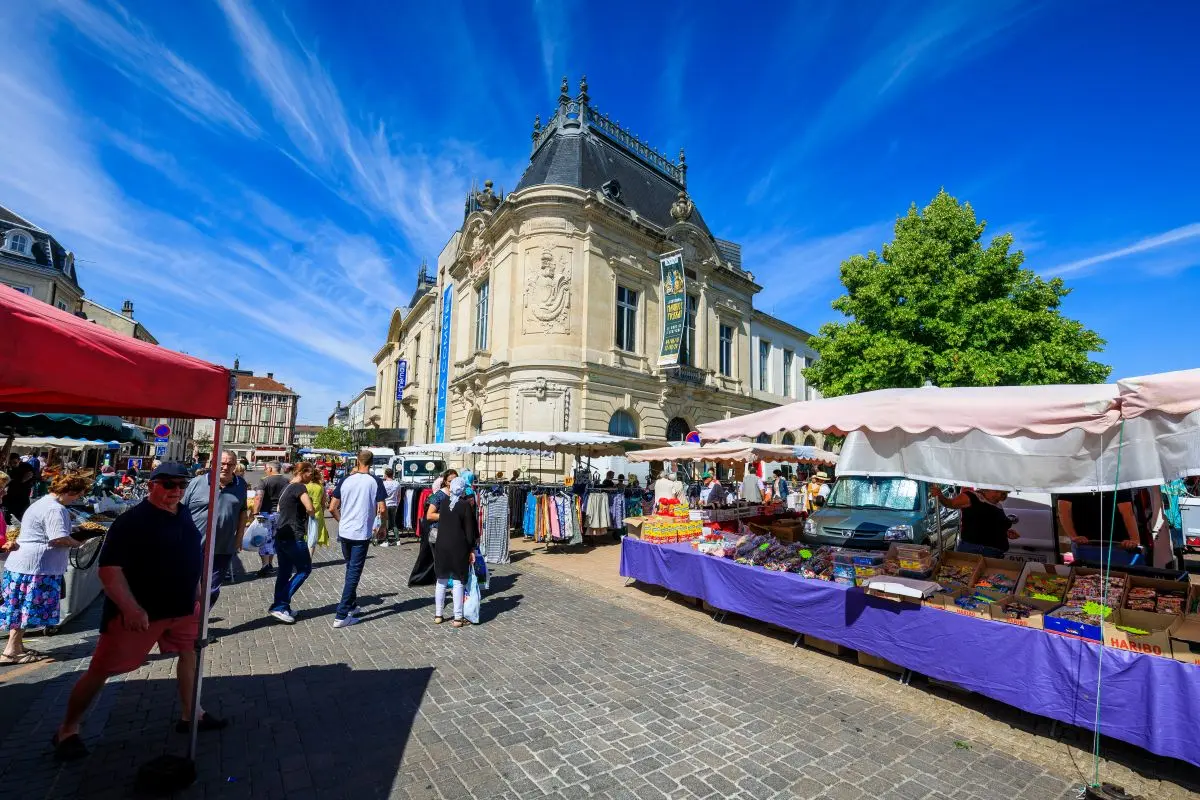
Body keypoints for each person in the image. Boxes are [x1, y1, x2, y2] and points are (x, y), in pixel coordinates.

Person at [51, 464, 226, 760]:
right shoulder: (132, 522)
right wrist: (131, 608)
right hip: (143, 611)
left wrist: (197, 590)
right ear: (152, 485)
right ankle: (67, 729)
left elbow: (191, 553)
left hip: (182, 607)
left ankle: (191, 713)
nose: (176, 491)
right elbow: (110, 571)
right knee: (101, 669)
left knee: (190, 654)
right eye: (169, 485)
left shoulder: (182, 513)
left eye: (181, 486)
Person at [0, 473, 89, 664]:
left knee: (19, 607)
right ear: (69, 492)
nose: (77, 499)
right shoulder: (55, 509)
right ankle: (11, 651)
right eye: (77, 495)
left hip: (23, 564)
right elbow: (57, 538)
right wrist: (78, 543)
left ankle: (17, 647)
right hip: (37, 567)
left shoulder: (42, 503)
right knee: (26, 608)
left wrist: (71, 531)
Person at [181, 451, 247, 611]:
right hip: (193, 547)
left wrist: (239, 538)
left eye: (230, 464)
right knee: (188, 587)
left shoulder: (241, 485)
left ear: (235, 465)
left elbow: (242, 512)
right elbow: (179, 509)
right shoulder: (197, 482)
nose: (225, 467)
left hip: (223, 547)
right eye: (221, 463)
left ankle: (199, 625)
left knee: (212, 589)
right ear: (213, 464)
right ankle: (185, 625)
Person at [328, 450, 387, 629]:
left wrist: (342, 520)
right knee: (354, 572)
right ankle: (341, 614)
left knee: (350, 568)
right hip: (361, 532)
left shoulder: (346, 479)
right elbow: (382, 509)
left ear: (357, 461)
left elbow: (332, 507)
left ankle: (352, 605)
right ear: (371, 462)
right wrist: (383, 526)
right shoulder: (375, 481)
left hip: (345, 531)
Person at [425, 477, 480, 628]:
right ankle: (457, 617)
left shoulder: (443, 503)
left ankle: (438, 615)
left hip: (442, 545)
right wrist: (472, 549)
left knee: (441, 580)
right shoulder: (465, 505)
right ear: (462, 489)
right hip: (459, 546)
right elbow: (470, 531)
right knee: (457, 581)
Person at [268, 462, 316, 624]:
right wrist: (311, 513)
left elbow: (281, 509)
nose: (312, 476)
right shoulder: (299, 488)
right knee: (304, 569)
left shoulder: (286, 487)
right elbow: (310, 508)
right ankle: (280, 605)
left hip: (281, 533)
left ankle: (282, 606)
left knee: (284, 572)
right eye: (310, 473)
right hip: (294, 535)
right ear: (303, 472)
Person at [932, 486, 1017, 558]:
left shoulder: (998, 506)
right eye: (997, 491)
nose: (999, 496)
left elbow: (987, 525)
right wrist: (940, 496)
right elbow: (951, 504)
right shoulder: (972, 497)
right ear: (986, 488)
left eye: (1003, 493)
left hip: (993, 553)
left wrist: (1005, 532)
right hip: (976, 550)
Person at [409, 469, 457, 587]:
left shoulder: (459, 494)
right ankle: (442, 584)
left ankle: (449, 582)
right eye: (450, 481)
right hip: (439, 532)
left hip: (454, 533)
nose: (453, 483)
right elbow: (429, 515)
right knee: (441, 561)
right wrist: (447, 515)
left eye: (455, 480)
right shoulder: (439, 495)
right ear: (445, 481)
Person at [1056, 490, 1141, 551]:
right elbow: (1063, 509)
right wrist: (1074, 536)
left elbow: (1127, 511)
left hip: (1118, 544)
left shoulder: (1114, 474)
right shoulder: (1074, 476)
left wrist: (1134, 540)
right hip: (1085, 543)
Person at [253, 462, 290, 577]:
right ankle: (270, 563)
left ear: (270, 469)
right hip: (281, 514)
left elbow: (259, 497)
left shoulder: (264, 481)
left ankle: (265, 565)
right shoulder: (287, 481)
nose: (265, 470)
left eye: (265, 468)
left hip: (266, 513)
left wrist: (255, 512)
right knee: (274, 539)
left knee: (264, 539)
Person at [3, 454, 35, 523]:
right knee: (9, 518)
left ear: (19, 460)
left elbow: (28, 476)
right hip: (10, 497)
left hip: (22, 497)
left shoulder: (26, 466)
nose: (12, 465)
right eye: (10, 463)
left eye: (15, 462)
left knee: (21, 517)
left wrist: (13, 481)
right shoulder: (8, 468)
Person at [306, 471, 329, 558]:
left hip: (305, 513)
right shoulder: (320, 487)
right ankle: (309, 558)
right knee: (313, 536)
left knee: (305, 536)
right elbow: (323, 503)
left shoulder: (305, 486)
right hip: (317, 513)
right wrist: (322, 512)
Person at [382, 468, 402, 544]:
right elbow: (399, 496)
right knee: (393, 522)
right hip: (394, 504)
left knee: (385, 522)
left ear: (386, 475)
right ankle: (397, 539)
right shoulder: (397, 483)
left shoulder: (383, 484)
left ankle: (386, 540)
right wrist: (397, 504)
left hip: (385, 504)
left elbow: (381, 496)